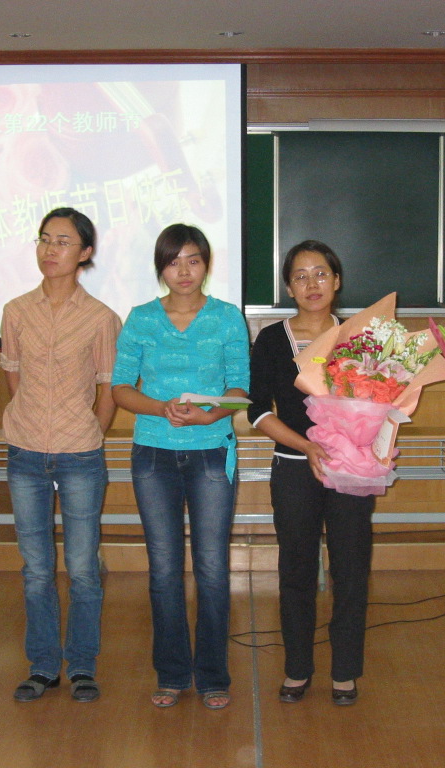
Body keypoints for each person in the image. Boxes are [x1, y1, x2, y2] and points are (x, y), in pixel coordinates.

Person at [112, 223, 249, 710]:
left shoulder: (227, 317)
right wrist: (161, 408)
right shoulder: (142, 318)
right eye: (173, 262)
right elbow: (120, 388)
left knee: (212, 568)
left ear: (206, 264)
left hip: (212, 450)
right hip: (153, 453)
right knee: (164, 568)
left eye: (193, 260)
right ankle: (171, 673)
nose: (184, 271)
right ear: (161, 268)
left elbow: (240, 387)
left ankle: (213, 676)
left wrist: (212, 413)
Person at [0, 207, 121, 703]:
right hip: (25, 452)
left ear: (85, 253)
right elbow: (14, 376)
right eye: (45, 239)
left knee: (82, 566)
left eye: (63, 242)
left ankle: (83, 665)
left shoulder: (101, 318)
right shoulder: (15, 311)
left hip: (80, 455)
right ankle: (44, 665)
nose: (50, 250)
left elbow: (109, 388)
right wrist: (32, 421)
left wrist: (89, 431)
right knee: (35, 569)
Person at [247, 240, 372, 706]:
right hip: (295, 467)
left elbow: (382, 400)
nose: (311, 284)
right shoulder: (271, 340)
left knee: (350, 569)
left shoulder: (360, 337)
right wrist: (306, 445)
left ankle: (345, 673)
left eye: (320, 273)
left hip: (351, 470)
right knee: (296, 569)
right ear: (288, 288)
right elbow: (257, 410)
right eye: (300, 276)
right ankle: (297, 668)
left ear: (337, 280)